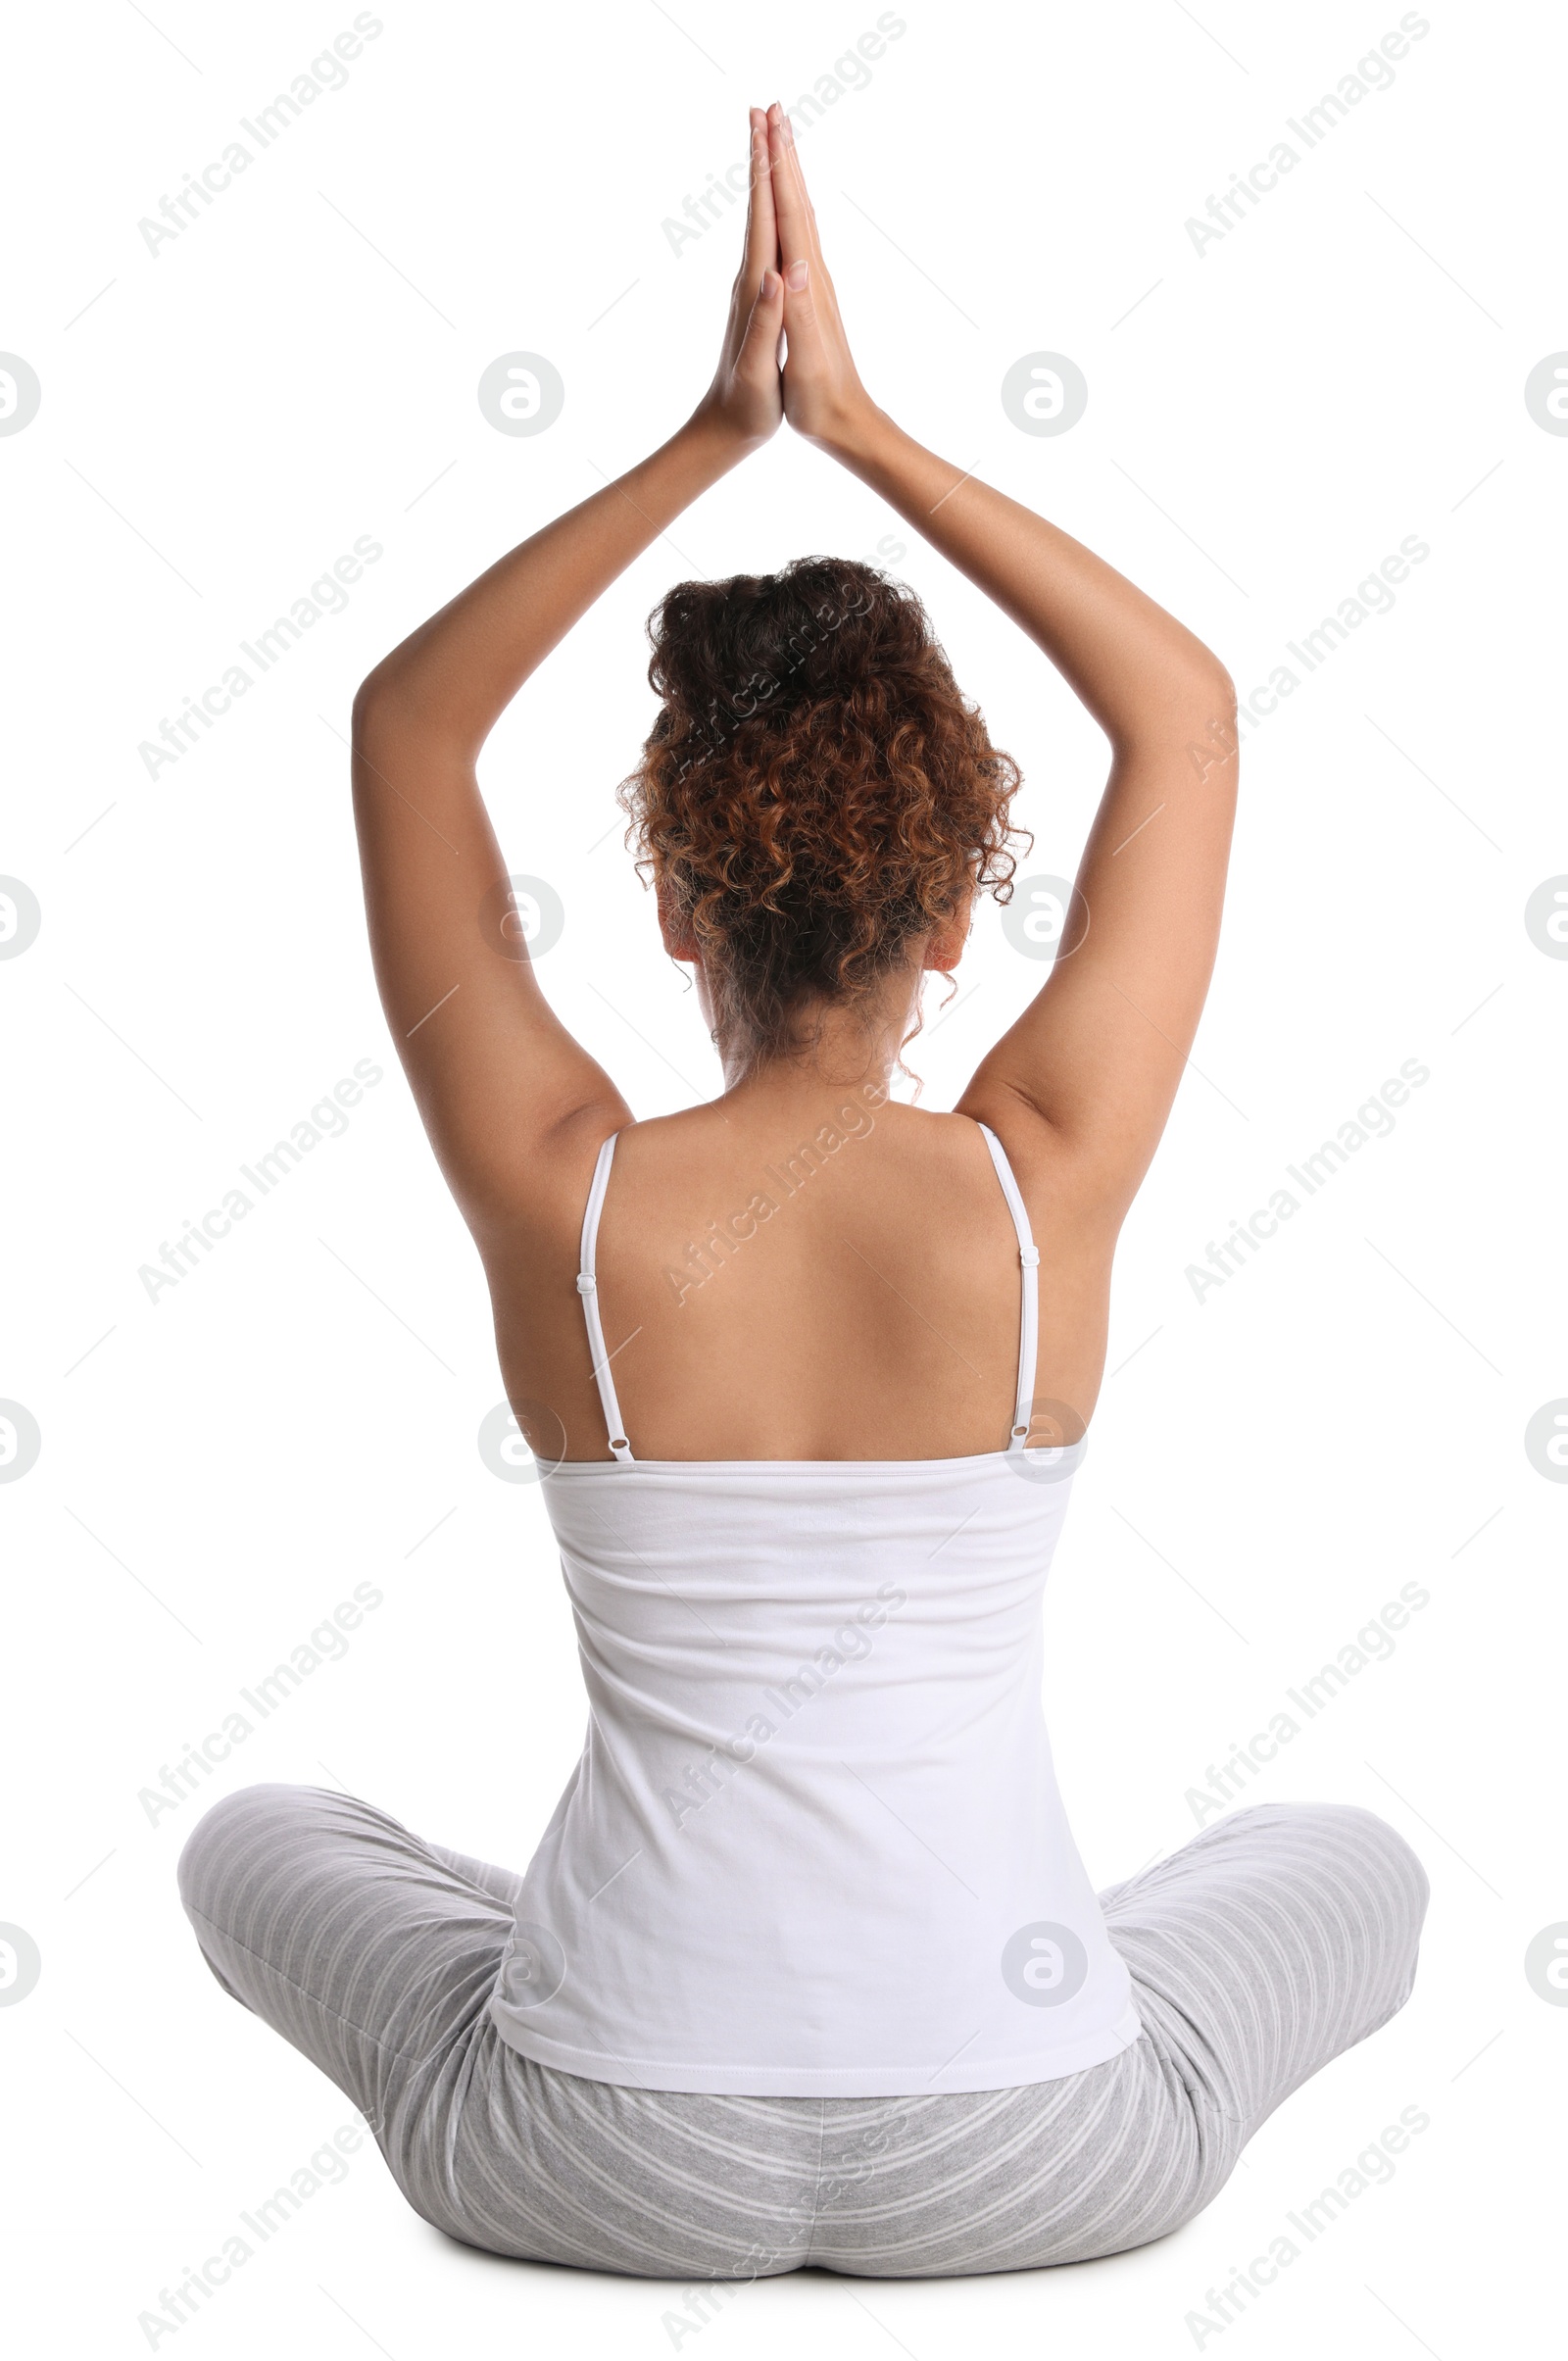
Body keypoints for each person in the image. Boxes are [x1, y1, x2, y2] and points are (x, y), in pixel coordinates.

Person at [177, 104, 1428, 2280]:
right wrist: (856, 429)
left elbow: (403, 733)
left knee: (258, 1836)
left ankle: (633, 1963)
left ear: (670, 906)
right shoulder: (1042, 1192)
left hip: (585, 2154)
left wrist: (704, 437)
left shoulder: (567, 1202)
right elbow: (1188, 719)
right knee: (1342, 1853)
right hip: (1028, 2152)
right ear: (955, 912)